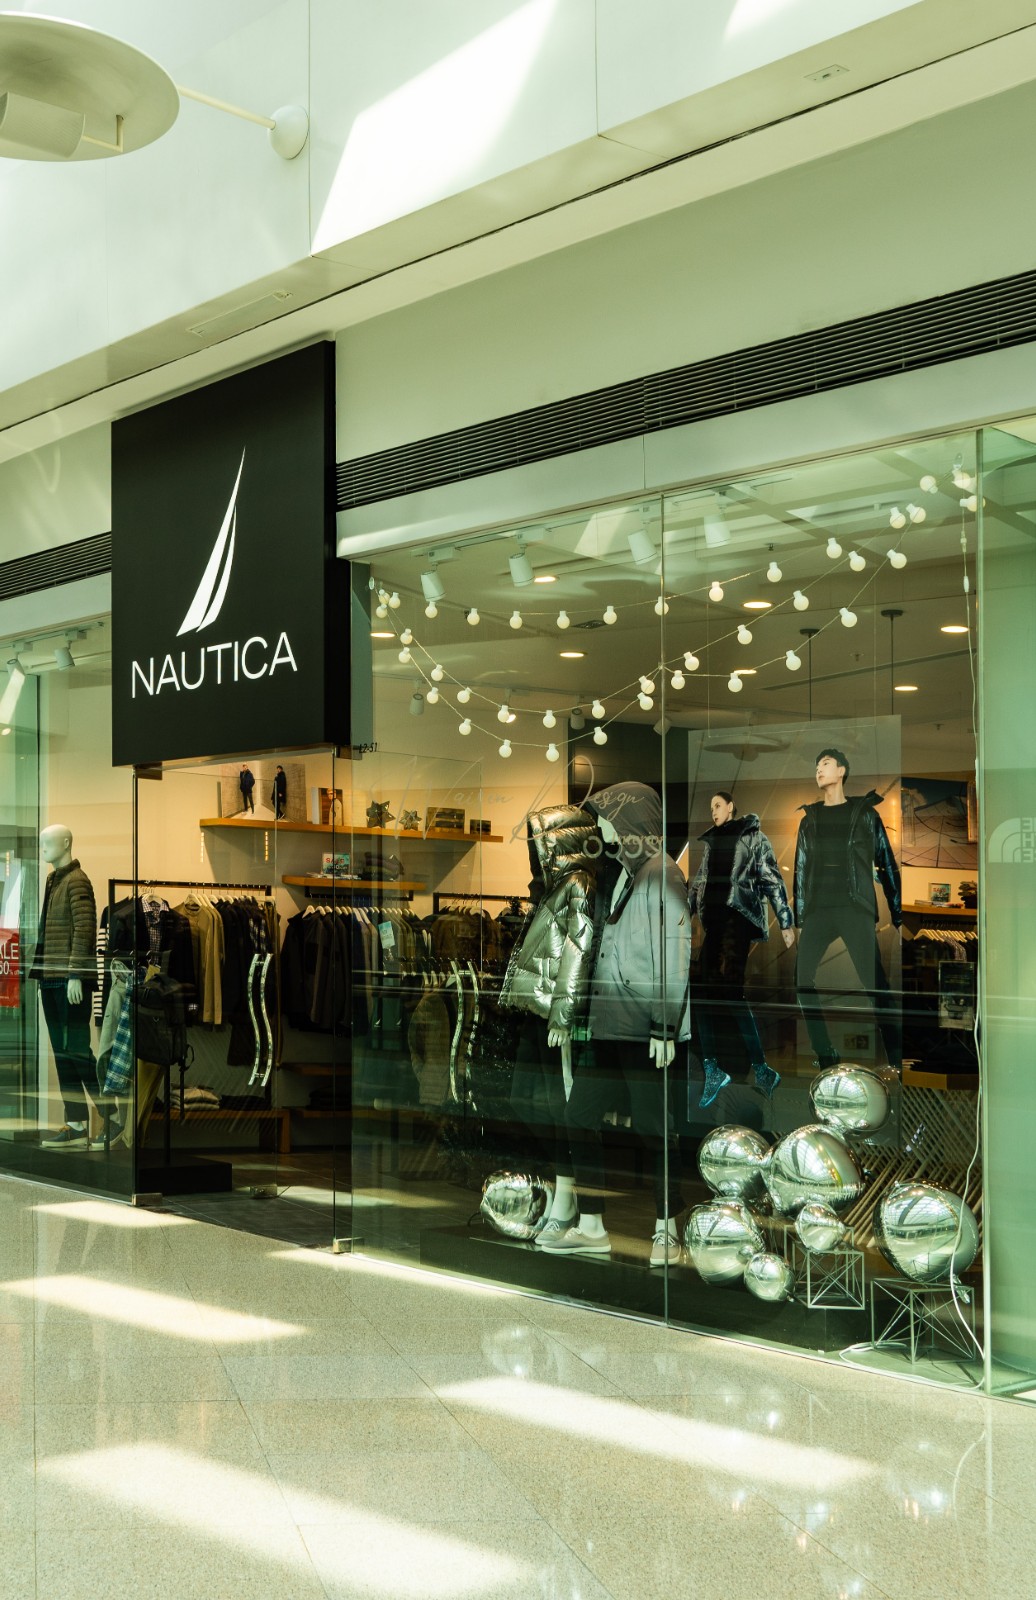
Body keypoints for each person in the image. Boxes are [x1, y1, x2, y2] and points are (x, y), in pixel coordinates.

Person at [542, 781, 690, 1267]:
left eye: (608, 818)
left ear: (631, 821)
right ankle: (591, 1226)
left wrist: (665, 1024)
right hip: (610, 1024)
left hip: (643, 1029)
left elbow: (674, 950)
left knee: (654, 1129)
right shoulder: (626, 873)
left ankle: (667, 1229)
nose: (603, 828)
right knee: (578, 1116)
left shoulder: (662, 874)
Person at [500, 804, 598, 1246]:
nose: (533, 854)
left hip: (553, 1016)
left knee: (560, 1109)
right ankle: (563, 1188)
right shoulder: (551, 887)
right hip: (534, 1008)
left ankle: (566, 1195)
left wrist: (563, 1013)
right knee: (524, 1099)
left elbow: (578, 949)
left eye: (539, 844)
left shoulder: (578, 884)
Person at [794, 748, 902, 1071]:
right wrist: (800, 917)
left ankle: (896, 1056)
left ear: (841, 771)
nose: (818, 769)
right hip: (819, 909)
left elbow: (886, 863)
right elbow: (800, 869)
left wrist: (898, 914)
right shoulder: (808, 820)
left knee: (874, 983)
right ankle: (825, 1051)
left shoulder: (865, 815)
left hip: (854, 907)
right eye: (816, 765)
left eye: (825, 763)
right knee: (802, 980)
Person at [689, 791, 795, 1107]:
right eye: (711, 807)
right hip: (715, 923)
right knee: (702, 993)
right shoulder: (712, 843)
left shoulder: (754, 838)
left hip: (738, 918)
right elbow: (700, 882)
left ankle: (761, 1069)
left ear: (731, 807)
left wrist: (785, 920)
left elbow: (771, 878)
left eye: (717, 805)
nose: (713, 811)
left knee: (731, 993)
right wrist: (686, 910)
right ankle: (714, 1069)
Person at [28, 825, 99, 1148]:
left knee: (79, 1052)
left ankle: (112, 1116)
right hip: (51, 978)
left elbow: (85, 929)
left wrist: (75, 975)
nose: (43, 847)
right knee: (62, 1053)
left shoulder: (77, 880)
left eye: (48, 842)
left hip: (69, 982)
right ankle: (76, 1123)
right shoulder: (53, 880)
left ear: (66, 843)